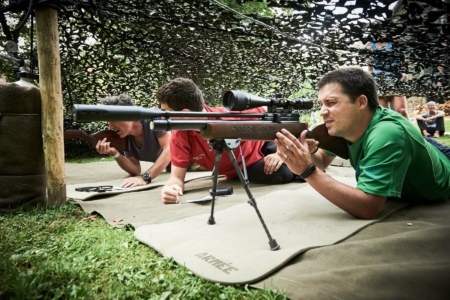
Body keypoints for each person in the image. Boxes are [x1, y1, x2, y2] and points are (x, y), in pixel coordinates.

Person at [274, 68, 450, 220]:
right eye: (321, 104)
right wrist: (308, 154)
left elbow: (367, 207)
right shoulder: (347, 123)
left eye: (331, 103)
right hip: (420, 147)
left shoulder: (387, 134)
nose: (322, 112)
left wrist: (307, 171)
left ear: (361, 102)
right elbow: (322, 160)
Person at [156, 78, 295, 204]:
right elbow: (176, 178)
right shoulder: (179, 136)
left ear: (185, 114)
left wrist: (281, 152)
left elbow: (276, 110)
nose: (163, 118)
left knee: (291, 163)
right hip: (245, 166)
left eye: (166, 113)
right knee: (282, 173)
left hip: (265, 143)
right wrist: (170, 188)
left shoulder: (232, 115)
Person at [95, 94, 171, 187]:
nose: (111, 126)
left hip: (193, 163)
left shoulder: (154, 118)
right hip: (176, 168)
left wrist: (145, 178)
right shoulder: (125, 135)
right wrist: (115, 153)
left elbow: (170, 150)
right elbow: (135, 170)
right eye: (108, 122)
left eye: (113, 120)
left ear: (129, 116)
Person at [365, 41, 410, 119]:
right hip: (379, 81)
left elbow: (403, 61)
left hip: (396, 79)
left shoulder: (394, 44)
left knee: (401, 111)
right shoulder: (370, 47)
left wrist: (404, 73)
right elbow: (370, 67)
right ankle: (391, 131)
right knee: (384, 114)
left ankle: (408, 131)